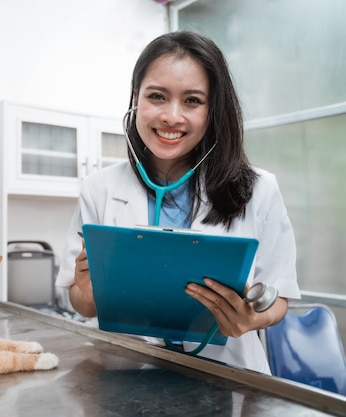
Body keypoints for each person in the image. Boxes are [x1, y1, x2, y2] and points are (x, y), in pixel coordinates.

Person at [55, 30, 300, 374]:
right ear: (136, 99)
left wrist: (250, 318)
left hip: (225, 374)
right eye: (157, 96)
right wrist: (88, 290)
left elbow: (281, 297)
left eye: (192, 101)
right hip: (123, 372)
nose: (172, 116)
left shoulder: (259, 189)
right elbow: (81, 302)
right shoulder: (100, 188)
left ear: (213, 110)